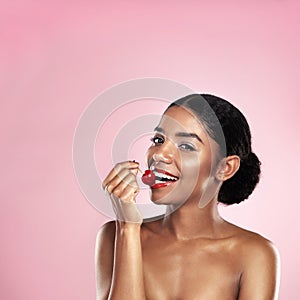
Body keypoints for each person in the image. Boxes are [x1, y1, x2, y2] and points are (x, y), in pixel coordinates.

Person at [95, 94, 280, 300]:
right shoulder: (114, 235)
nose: (159, 154)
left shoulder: (255, 254)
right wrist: (128, 228)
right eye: (158, 140)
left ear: (225, 168)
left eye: (186, 146)